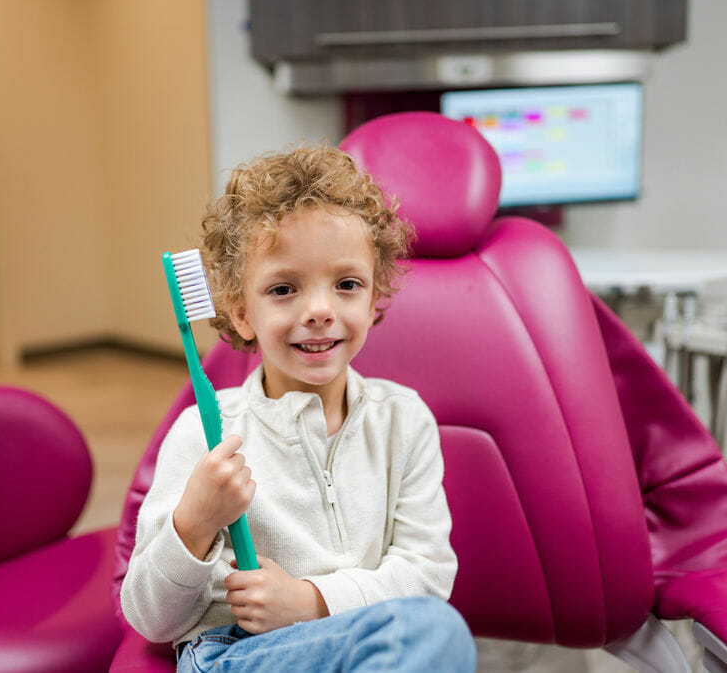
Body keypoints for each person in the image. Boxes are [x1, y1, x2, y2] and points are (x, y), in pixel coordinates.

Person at [121, 144, 475, 672]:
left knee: (430, 631)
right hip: (234, 654)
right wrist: (193, 524)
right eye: (284, 289)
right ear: (242, 313)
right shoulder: (205, 433)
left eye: (347, 284)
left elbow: (425, 577)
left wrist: (310, 601)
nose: (318, 311)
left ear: (375, 297)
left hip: (361, 643)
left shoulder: (404, 421)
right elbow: (150, 619)